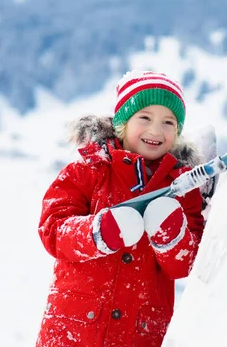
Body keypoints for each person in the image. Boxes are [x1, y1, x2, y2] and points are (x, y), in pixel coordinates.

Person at [36, 71, 206, 347]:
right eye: (145, 118)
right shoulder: (89, 170)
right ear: (123, 123)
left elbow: (186, 264)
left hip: (137, 334)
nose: (155, 130)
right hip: (75, 331)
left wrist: (172, 237)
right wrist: (97, 233)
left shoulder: (183, 187)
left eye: (168, 122)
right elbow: (53, 229)